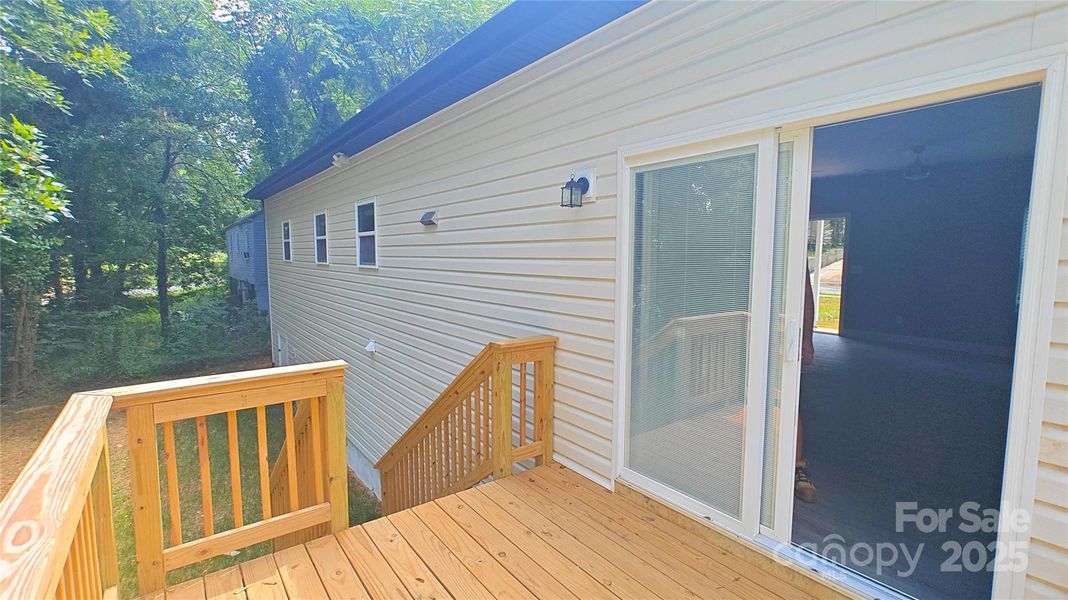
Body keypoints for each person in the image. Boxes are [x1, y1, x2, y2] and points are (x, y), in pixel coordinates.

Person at [795, 266, 818, 503]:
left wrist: (806, 338)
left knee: (787, 400)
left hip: (781, 330)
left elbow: (804, 291)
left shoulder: (790, 237)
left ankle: (796, 467)